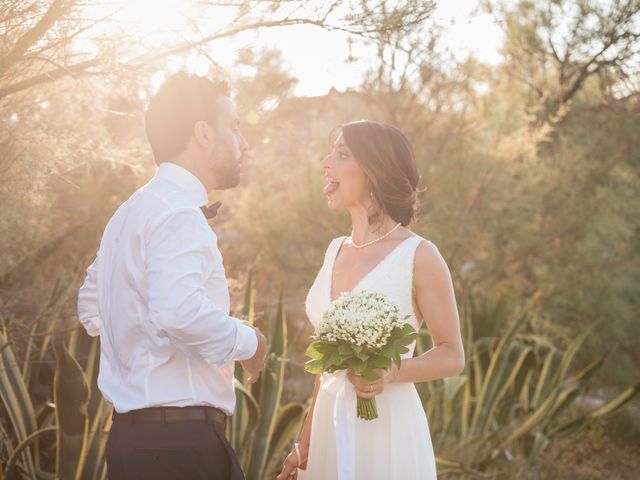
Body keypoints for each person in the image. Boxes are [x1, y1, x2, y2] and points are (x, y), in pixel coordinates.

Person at [77, 72, 267, 480]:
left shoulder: (128, 213)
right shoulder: (179, 212)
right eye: (233, 127)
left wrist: (138, 343)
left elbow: (91, 307)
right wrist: (251, 341)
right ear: (203, 133)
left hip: (130, 446)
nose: (242, 142)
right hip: (181, 451)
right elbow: (178, 313)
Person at [277, 120, 465, 480]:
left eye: (342, 154)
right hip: (329, 425)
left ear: (376, 171)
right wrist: (306, 442)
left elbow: (452, 354)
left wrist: (393, 371)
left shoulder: (420, 256)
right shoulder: (335, 251)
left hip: (387, 432)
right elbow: (325, 361)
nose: (325, 162)